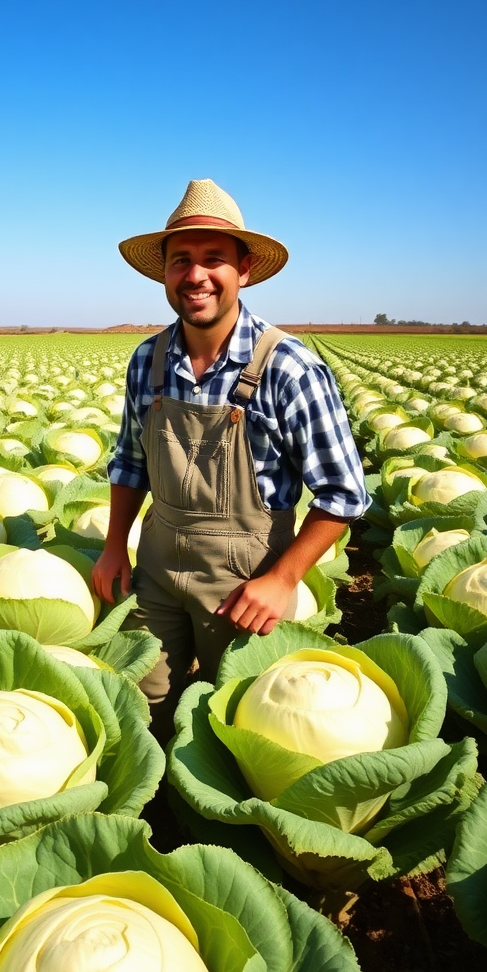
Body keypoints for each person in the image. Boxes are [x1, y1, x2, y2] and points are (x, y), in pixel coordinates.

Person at [92, 178, 369, 741]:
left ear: (243, 269)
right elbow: (129, 463)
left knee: (240, 719)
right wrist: (114, 543)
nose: (196, 275)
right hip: (158, 567)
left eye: (213, 259)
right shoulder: (148, 360)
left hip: (245, 580)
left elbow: (344, 494)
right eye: (181, 261)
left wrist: (284, 579)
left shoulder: (288, 367)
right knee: (139, 710)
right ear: (164, 273)